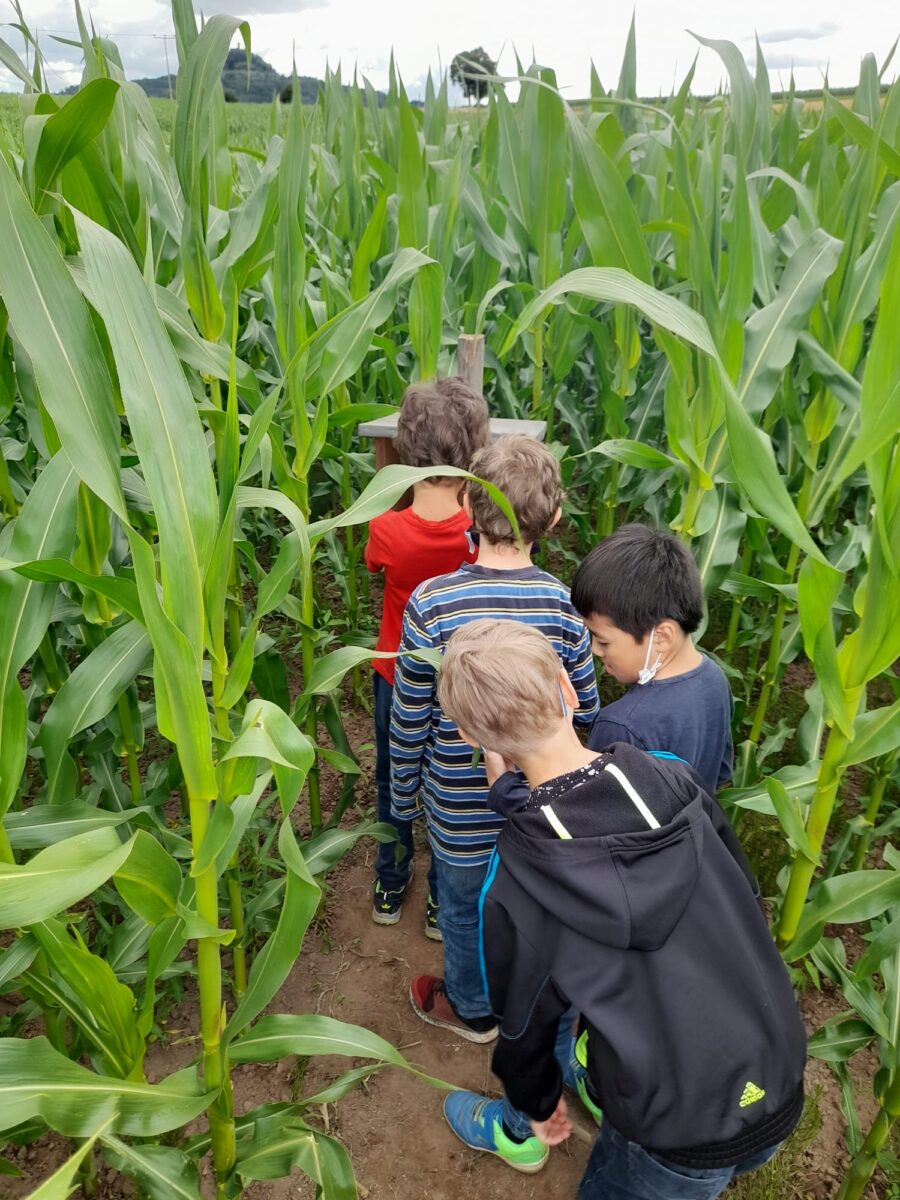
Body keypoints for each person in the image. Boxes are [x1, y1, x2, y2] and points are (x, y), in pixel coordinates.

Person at [437, 620, 807, 1195]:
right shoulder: (673, 779)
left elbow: (525, 1021)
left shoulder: (519, 877)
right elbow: (741, 888)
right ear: (566, 684)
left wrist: (534, 1101)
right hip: (776, 1069)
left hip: (674, 1126)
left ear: (467, 736)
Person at [390, 435, 599, 1056]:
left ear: (465, 502)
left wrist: (403, 798)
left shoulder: (432, 603)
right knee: (530, 909)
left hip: (455, 809)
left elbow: (410, 715)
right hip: (538, 808)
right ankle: (527, 1003)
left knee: (459, 910)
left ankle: (474, 1007)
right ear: (554, 520)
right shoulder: (564, 607)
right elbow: (581, 704)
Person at [366, 378, 489, 938]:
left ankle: (390, 884)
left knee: (395, 780)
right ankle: (442, 899)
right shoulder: (475, 533)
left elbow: (374, 567)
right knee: (449, 785)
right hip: (462, 684)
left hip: (397, 672)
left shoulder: (386, 529)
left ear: (406, 449)